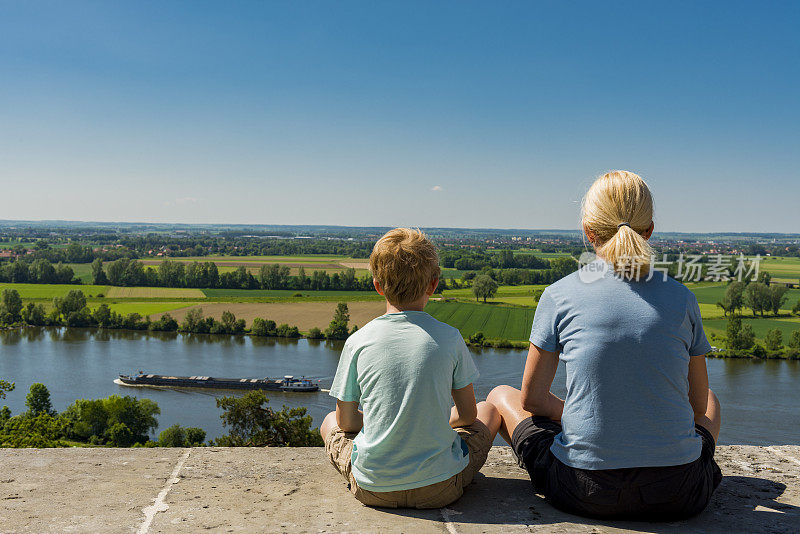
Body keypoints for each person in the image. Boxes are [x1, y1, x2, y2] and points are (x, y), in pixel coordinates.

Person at [488, 170, 722, 520]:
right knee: (713, 399)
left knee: (498, 396)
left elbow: (532, 400)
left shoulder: (559, 295)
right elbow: (697, 405)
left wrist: (578, 414)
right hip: (677, 492)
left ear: (588, 231)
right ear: (650, 230)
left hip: (583, 489)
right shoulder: (682, 298)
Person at [320, 227, 501, 509]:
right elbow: (468, 415)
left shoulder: (358, 341)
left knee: (329, 421)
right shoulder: (450, 337)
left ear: (378, 285)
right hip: (440, 489)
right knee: (489, 409)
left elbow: (345, 423)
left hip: (372, 488)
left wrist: (387, 421)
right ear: (433, 283)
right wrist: (428, 420)